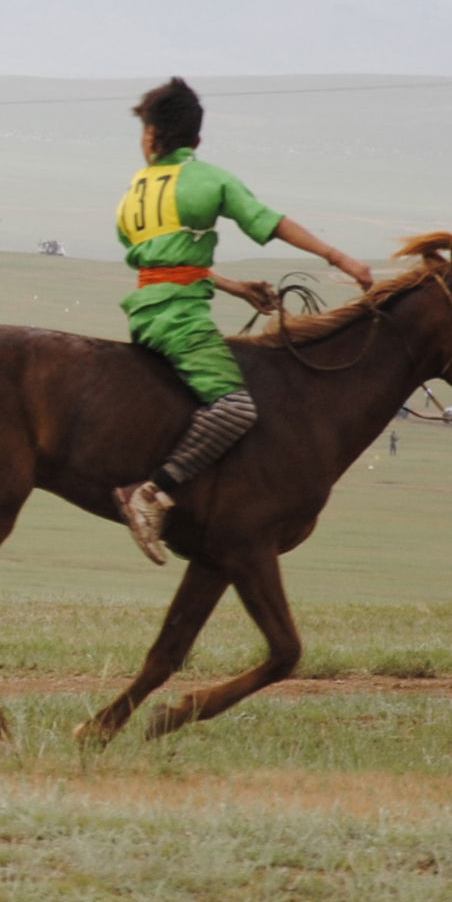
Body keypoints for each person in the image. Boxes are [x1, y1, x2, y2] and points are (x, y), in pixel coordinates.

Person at [110, 77, 372, 564]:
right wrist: (341, 259)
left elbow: (161, 260)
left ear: (150, 137)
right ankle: (151, 494)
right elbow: (271, 223)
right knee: (236, 409)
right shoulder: (209, 179)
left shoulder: (134, 190)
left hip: (145, 313)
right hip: (180, 320)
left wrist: (232, 287)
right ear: (198, 139)